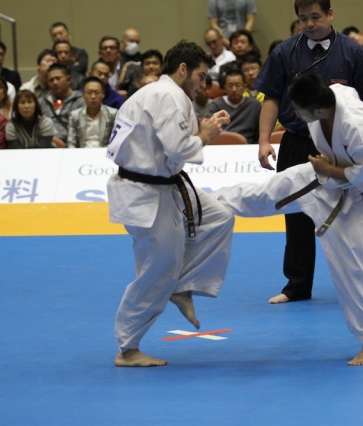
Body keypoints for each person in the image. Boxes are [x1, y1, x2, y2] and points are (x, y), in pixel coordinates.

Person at [214, 73, 363, 366]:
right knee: (268, 191)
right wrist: (326, 169)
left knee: (353, 270)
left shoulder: (362, 128)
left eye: (298, 110)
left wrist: (330, 170)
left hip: (352, 198)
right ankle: (204, 202)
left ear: (318, 109)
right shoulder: (329, 96)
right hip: (321, 175)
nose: (294, 115)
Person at [106, 40, 234, 367]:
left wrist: (205, 127)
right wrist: (204, 136)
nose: (204, 84)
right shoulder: (166, 96)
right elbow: (179, 148)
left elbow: (173, 139)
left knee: (219, 217)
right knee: (157, 272)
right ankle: (128, 348)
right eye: (201, 76)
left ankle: (182, 284)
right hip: (147, 191)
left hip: (164, 185)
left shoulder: (161, 94)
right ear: (183, 69)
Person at [253, 0, 363, 304]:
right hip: (297, 141)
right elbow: (271, 98)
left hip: (338, 142)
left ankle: (355, 284)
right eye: (303, 19)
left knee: (347, 214)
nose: (310, 24)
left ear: (330, 14)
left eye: (315, 16)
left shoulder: (352, 52)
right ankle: (297, 285)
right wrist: (263, 139)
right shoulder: (284, 52)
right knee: (295, 214)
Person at [206, 69, 262, 143]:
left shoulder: (255, 105)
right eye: (230, 86)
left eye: (238, 85)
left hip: (248, 146)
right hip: (222, 144)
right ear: (225, 88)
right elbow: (209, 131)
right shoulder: (216, 105)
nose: (234, 89)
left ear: (244, 87)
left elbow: (260, 134)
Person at [38, 63, 85, 141]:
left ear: (68, 79)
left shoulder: (80, 101)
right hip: (46, 144)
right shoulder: (41, 102)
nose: (55, 83)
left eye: (58, 78)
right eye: (51, 80)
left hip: (72, 144)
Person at [67, 77, 118, 148]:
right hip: (82, 152)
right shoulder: (75, 115)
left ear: (103, 94)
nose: (93, 96)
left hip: (104, 151)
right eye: (89, 93)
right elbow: (71, 142)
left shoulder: (113, 114)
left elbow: (116, 140)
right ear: (83, 95)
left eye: (97, 93)